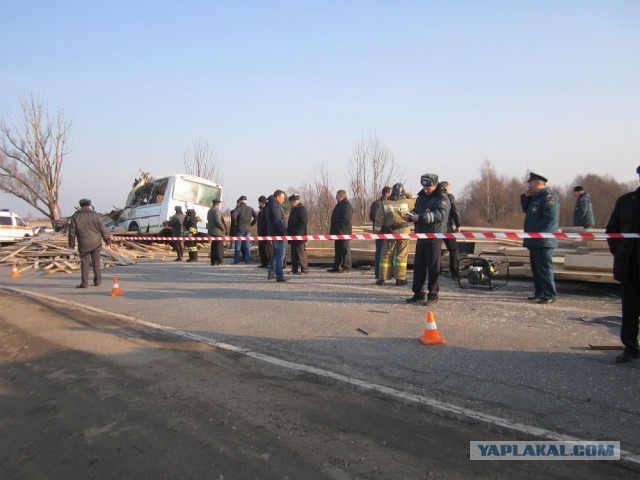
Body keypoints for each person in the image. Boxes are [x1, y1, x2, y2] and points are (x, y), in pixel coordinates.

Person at [605, 165, 640, 363]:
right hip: (630, 266)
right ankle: (631, 347)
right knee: (630, 310)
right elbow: (612, 229)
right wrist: (618, 250)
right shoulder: (627, 202)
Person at [405, 173, 450, 306]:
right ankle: (418, 293)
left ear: (435, 185)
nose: (426, 190)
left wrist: (421, 218)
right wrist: (410, 216)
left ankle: (433, 294)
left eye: (428, 187)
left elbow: (439, 215)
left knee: (433, 267)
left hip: (434, 236)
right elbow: (416, 210)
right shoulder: (421, 197)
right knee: (419, 266)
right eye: (424, 187)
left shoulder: (442, 198)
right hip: (421, 235)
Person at [521, 172, 560, 304]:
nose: (529, 186)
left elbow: (550, 218)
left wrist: (539, 233)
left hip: (543, 240)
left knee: (544, 268)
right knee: (536, 269)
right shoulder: (535, 197)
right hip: (534, 240)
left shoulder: (549, 197)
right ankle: (540, 292)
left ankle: (549, 294)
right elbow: (526, 210)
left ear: (538, 182)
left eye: (530, 183)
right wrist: (526, 197)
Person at [374, 183, 413, 286]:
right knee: (402, 256)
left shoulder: (385, 203)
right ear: (402, 192)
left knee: (385, 255)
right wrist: (407, 193)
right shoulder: (408, 202)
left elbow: (379, 220)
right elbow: (415, 199)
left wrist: (377, 233)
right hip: (404, 233)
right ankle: (400, 279)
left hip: (390, 233)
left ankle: (382, 278)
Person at [68, 198, 112, 288]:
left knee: (85, 263)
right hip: (96, 243)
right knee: (96, 262)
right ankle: (97, 281)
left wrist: (71, 245)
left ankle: (84, 283)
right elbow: (103, 229)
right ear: (89, 205)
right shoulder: (96, 215)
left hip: (83, 243)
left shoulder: (75, 216)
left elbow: (71, 233)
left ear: (80, 205)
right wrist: (107, 240)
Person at [327, 190, 354, 273]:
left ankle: (346, 267)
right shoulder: (339, 205)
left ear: (341, 196)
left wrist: (339, 229)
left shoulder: (347, 206)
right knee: (338, 250)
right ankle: (337, 266)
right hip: (337, 233)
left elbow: (346, 220)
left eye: (337, 196)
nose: (336, 197)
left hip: (344, 232)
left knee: (345, 249)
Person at [369, 186, 392, 279]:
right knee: (380, 253)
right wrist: (385, 220)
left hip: (389, 232)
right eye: (391, 193)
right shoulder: (377, 204)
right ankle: (378, 273)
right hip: (381, 232)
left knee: (389, 254)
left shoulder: (390, 203)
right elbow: (373, 216)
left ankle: (388, 273)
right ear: (387, 193)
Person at [441, 181, 461, 279]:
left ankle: (436, 272)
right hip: (447, 226)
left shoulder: (433, 196)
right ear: (446, 188)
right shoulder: (449, 197)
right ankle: (455, 273)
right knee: (453, 249)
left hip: (435, 227)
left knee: (435, 249)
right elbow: (455, 211)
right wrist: (458, 225)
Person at [266, 190, 287, 282]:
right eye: (282, 198)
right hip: (278, 235)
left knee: (275, 255)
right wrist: (284, 232)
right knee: (280, 256)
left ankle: (271, 273)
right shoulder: (275, 206)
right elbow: (278, 221)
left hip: (273, 234)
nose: (283, 200)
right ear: (278, 197)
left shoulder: (269, 205)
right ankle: (279, 276)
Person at [231, 196, 257, 264]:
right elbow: (256, 217)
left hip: (239, 229)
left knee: (238, 245)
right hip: (248, 229)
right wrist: (251, 224)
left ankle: (236, 261)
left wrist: (235, 224)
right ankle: (247, 260)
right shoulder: (250, 209)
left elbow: (233, 216)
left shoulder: (238, 209)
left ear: (240, 201)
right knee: (247, 245)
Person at [287, 194, 309, 275]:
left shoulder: (302, 209)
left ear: (295, 201)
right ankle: (294, 269)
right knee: (294, 253)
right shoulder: (294, 209)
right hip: (292, 235)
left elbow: (304, 222)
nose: (290, 204)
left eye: (291, 202)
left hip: (299, 235)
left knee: (301, 253)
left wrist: (296, 231)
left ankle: (304, 269)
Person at [207, 199, 227, 266]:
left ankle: (213, 261)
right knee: (219, 247)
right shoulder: (216, 211)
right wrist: (223, 228)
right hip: (217, 231)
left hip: (211, 231)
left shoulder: (209, 211)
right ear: (217, 204)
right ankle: (219, 261)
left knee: (213, 246)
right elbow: (218, 221)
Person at [256, 195, 272, 268]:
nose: (259, 204)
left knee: (267, 249)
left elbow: (267, 222)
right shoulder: (261, 211)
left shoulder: (266, 210)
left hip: (266, 233)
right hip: (261, 233)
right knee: (261, 249)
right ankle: (264, 263)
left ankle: (269, 262)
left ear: (263, 202)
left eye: (260, 202)